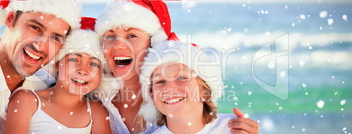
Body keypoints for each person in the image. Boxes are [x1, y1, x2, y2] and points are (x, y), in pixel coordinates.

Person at [94, 0, 259, 133]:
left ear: (154, 43)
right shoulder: (90, 96)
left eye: (131, 35)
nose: (117, 45)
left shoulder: (179, 102)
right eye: (110, 36)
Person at [0, 0, 81, 133]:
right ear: (10, 18)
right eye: (35, 28)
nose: (41, 46)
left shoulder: (46, 84)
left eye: (55, 38)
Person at [5, 18, 111, 133]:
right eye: (75, 59)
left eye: (94, 63)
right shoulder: (26, 100)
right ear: (57, 64)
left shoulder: (96, 112)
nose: (83, 70)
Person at [139, 40, 236, 133]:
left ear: (205, 90)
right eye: (160, 81)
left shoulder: (235, 128)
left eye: (181, 78)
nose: (169, 88)